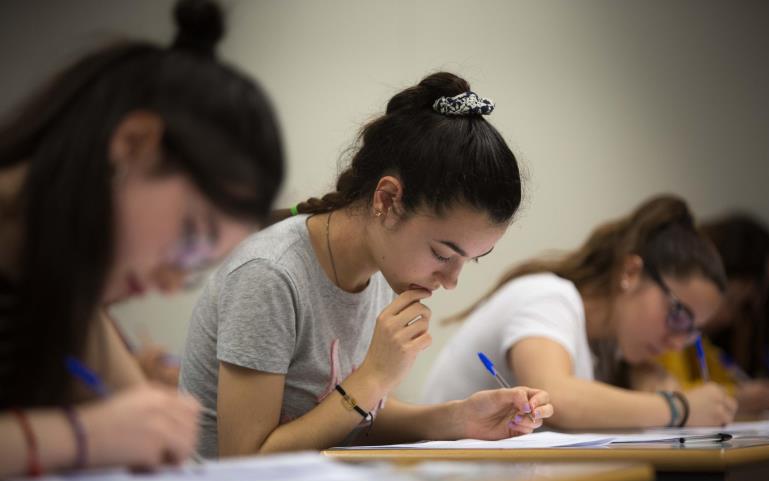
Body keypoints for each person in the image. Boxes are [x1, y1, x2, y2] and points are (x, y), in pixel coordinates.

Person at [181, 72, 553, 458]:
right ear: (388, 200)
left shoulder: (378, 270)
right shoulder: (269, 275)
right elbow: (244, 461)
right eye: (443, 254)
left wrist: (460, 420)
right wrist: (375, 375)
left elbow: (348, 417)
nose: (451, 280)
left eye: (468, 261)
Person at [0, 0, 284, 478]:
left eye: (196, 267)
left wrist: (151, 426)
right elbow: (110, 427)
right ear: (133, 143)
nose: (171, 282)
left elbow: (145, 429)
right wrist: (86, 435)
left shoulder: (64, 287)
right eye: (190, 238)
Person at [423, 195, 738, 429]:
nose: (676, 341)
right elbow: (555, 395)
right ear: (630, 272)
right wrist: (677, 407)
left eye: (692, 332)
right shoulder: (548, 296)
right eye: (678, 315)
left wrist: (649, 382)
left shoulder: (609, 346)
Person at [655, 213, 769, 414]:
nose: (731, 317)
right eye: (734, 303)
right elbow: (666, 393)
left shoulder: (694, 337)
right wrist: (742, 397)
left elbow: (722, 380)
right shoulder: (665, 329)